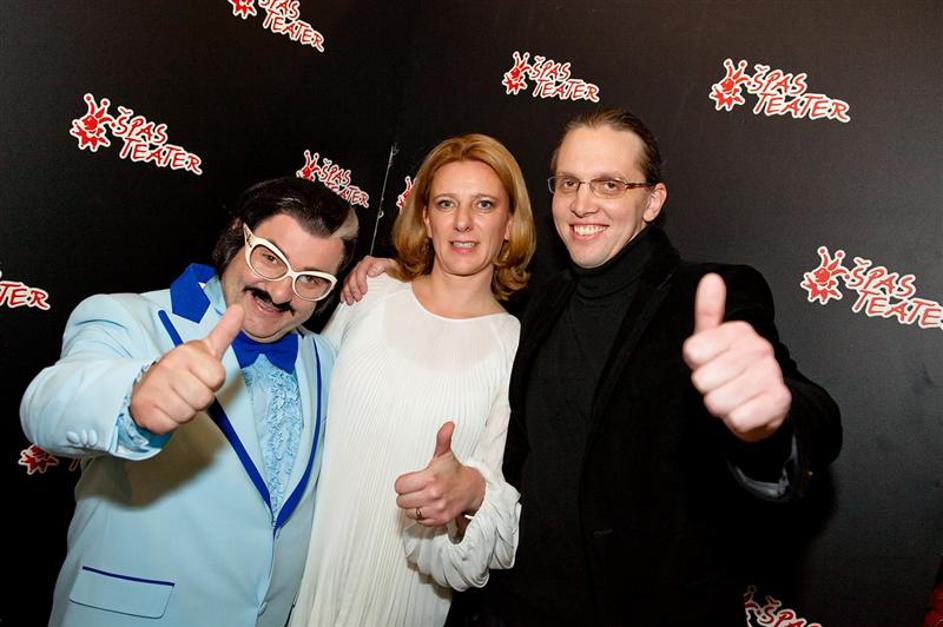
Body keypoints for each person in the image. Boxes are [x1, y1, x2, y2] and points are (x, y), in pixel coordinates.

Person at [342, 108, 843, 626]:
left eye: (609, 184)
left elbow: (811, 412)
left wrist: (770, 427)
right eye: (569, 183)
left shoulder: (706, 296)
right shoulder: (542, 302)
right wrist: (397, 277)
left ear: (652, 201)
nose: (582, 204)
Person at [20, 177, 358, 627]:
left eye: (310, 280)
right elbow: (47, 406)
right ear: (237, 235)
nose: (280, 293)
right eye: (270, 258)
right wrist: (134, 399)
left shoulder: (325, 358)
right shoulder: (130, 318)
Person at [288, 134, 536, 627]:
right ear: (425, 217)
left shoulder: (515, 347)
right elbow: (301, 420)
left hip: (404, 599)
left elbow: (481, 535)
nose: (462, 222)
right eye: (446, 203)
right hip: (298, 580)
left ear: (510, 224)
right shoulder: (371, 293)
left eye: (484, 205)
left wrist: (468, 499)